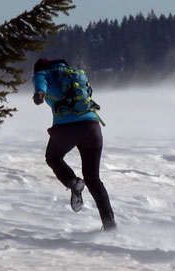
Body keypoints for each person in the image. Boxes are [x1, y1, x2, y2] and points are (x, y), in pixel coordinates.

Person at [32, 58, 117, 231]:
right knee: (93, 178)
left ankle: (73, 182)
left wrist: (39, 93)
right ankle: (110, 224)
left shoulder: (42, 73)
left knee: (53, 157)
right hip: (92, 127)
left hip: (67, 128)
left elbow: (41, 83)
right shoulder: (74, 74)